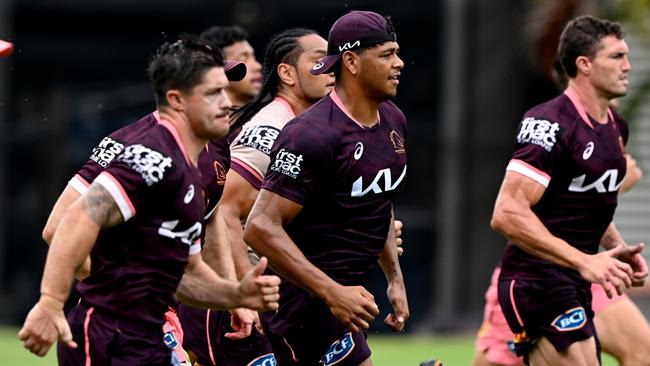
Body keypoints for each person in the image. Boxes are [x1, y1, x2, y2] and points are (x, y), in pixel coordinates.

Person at [18, 35, 280, 365]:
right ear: (177, 100)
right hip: (111, 338)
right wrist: (51, 302)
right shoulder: (150, 156)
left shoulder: (206, 153)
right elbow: (73, 219)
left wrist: (235, 295)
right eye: (213, 93)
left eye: (225, 89)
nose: (227, 102)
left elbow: (188, 271)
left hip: (147, 333)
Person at [244, 10, 408, 365]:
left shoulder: (393, 119)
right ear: (350, 61)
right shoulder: (311, 135)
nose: (400, 63)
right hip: (301, 307)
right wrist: (331, 292)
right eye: (387, 54)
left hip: (345, 299)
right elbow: (258, 227)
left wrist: (394, 277)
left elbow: (379, 199)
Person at [491, 15, 648, 365]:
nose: (628, 66)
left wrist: (617, 248)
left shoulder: (615, 127)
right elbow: (506, 213)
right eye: (617, 57)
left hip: (574, 278)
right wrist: (584, 260)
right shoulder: (549, 123)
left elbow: (588, 204)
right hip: (535, 280)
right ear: (584, 65)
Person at [178, 27, 335, 366]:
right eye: (320, 61)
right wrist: (243, 295)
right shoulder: (269, 131)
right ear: (287, 72)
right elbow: (227, 213)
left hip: (274, 296)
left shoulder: (310, 130)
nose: (331, 69)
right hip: (232, 298)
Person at [473, 154, 650, 366]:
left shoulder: (609, 125)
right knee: (500, 359)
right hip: (535, 277)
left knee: (643, 353)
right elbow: (527, 212)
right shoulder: (549, 128)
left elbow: (588, 209)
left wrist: (616, 246)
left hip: (587, 271)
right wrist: (615, 187)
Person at [200, 25, 263, 108]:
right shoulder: (200, 120)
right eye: (244, 58)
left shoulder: (268, 118)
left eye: (253, 57)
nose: (258, 66)